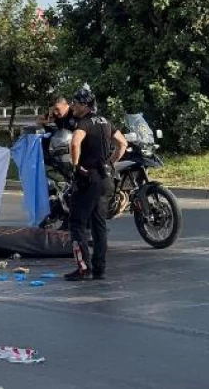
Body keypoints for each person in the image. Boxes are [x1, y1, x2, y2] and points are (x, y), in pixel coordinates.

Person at [64, 88, 128, 281]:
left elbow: (75, 143)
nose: (73, 106)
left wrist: (75, 166)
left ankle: (83, 268)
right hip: (105, 178)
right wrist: (110, 162)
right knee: (99, 225)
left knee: (77, 224)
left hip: (88, 178)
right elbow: (122, 143)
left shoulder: (83, 123)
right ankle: (99, 268)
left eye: (75, 103)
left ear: (84, 105)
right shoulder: (105, 121)